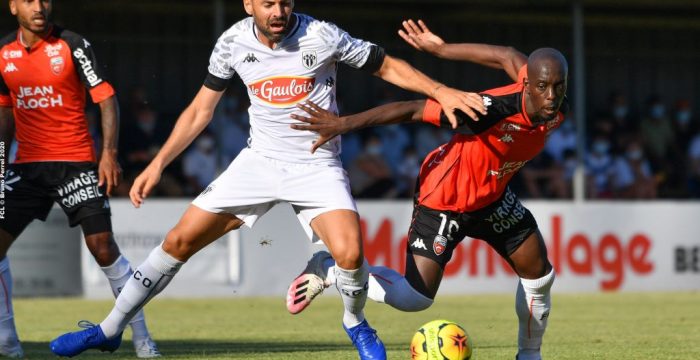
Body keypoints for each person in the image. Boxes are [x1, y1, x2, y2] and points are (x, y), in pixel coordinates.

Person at [49, 3, 486, 359]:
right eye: (267, 3)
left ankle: (355, 322)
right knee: (178, 241)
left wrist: (442, 92)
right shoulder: (232, 42)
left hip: (316, 164)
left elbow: (387, 65)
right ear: (248, 5)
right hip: (259, 163)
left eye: (284, 1)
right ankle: (109, 330)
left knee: (350, 252)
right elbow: (202, 110)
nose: (278, 10)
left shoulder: (321, 35)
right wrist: (159, 162)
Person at [286, 19, 568, 360]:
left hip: (492, 197)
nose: (550, 96)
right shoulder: (487, 111)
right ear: (528, 85)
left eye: (558, 86)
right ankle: (330, 269)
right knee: (415, 299)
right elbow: (413, 109)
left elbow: (505, 54)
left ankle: (530, 355)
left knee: (539, 274)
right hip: (445, 196)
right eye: (542, 86)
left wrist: (443, 49)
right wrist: (344, 123)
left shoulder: (551, 100)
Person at [0, 0, 160, 358]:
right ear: (13, 7)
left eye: (44, 0)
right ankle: (8, 345)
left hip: (75, 162)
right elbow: (6, 109)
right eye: (28, 0)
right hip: (27, 167)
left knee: (103, 248)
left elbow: (105, 98)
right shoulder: (3, 52)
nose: (39, 7)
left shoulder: (72, 44)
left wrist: (108, 154)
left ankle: (144, 341)